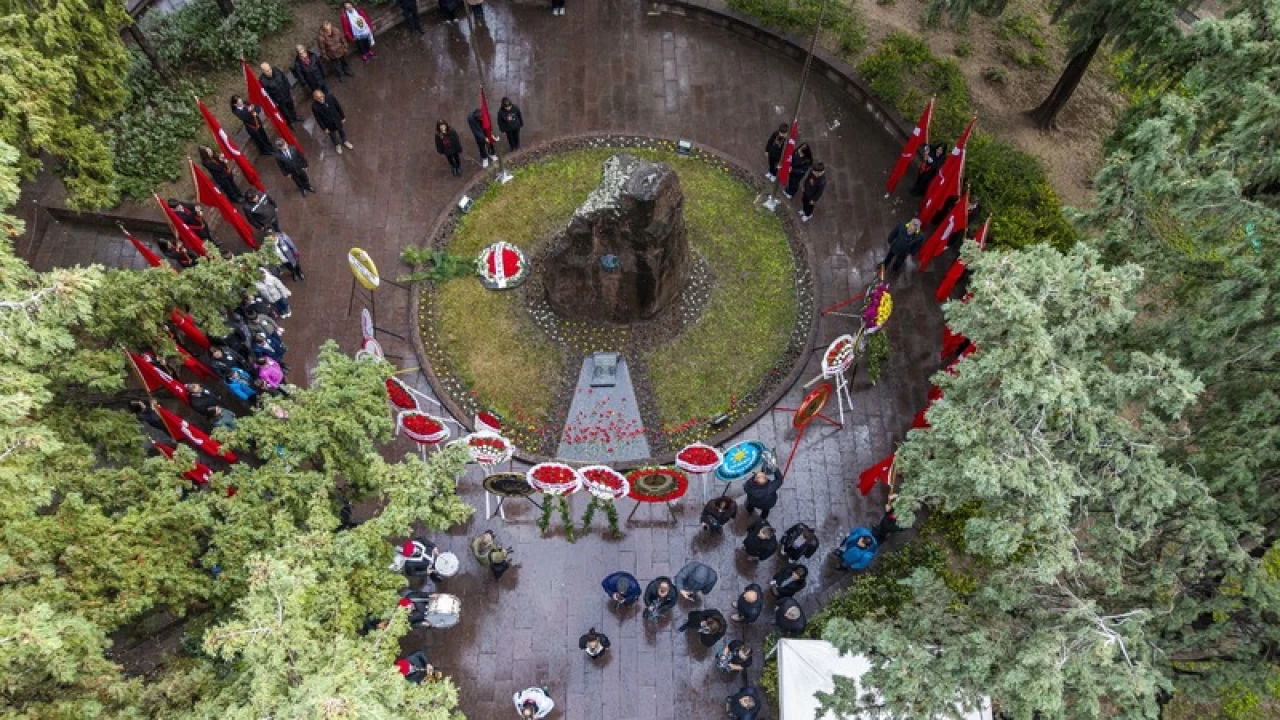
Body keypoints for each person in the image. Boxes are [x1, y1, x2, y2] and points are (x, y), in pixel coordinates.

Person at [312, 89, 353, 154]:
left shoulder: (330, 97)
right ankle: (337, 145)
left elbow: (338, 106)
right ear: (315, 99)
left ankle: (345, 141)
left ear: (323, 94)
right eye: (318, 98)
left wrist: (343, 117)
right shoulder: (314, 107)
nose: (321, 99)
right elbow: (318, 119)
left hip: (337, 119)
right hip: (328, 124)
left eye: (322, 96)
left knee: (341, 131)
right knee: (332, 135)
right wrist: (324, 128)